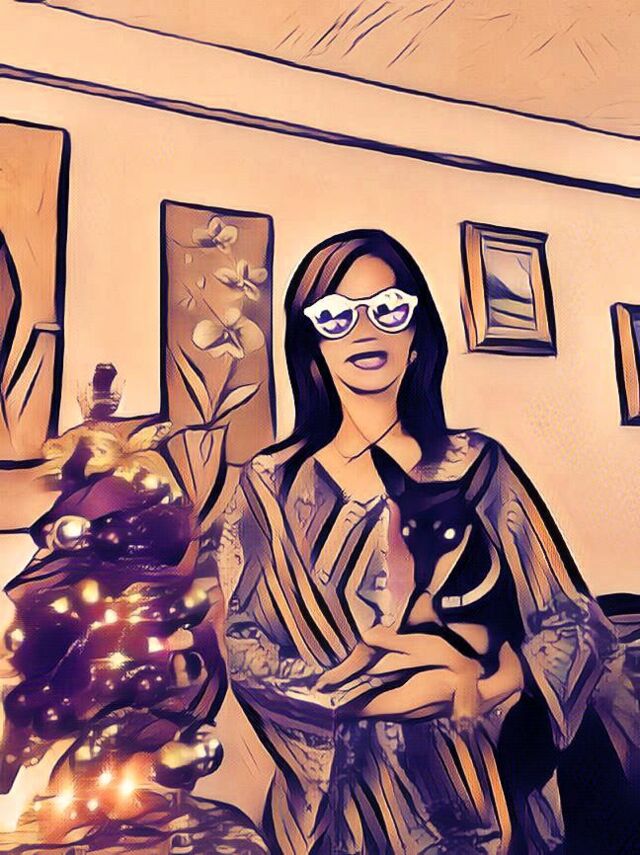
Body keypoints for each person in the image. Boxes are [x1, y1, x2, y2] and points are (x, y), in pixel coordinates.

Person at [212, 230, 638, 854]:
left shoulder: (476, 466)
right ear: (312, 348)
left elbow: (573, 621)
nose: (365, 330)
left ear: (417, 338)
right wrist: (366, 700)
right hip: (333, 814)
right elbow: (246, 647)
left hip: (480, 795)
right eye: (336, 315)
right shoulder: (269, 485)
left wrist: (495, 685)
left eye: (388, 308)